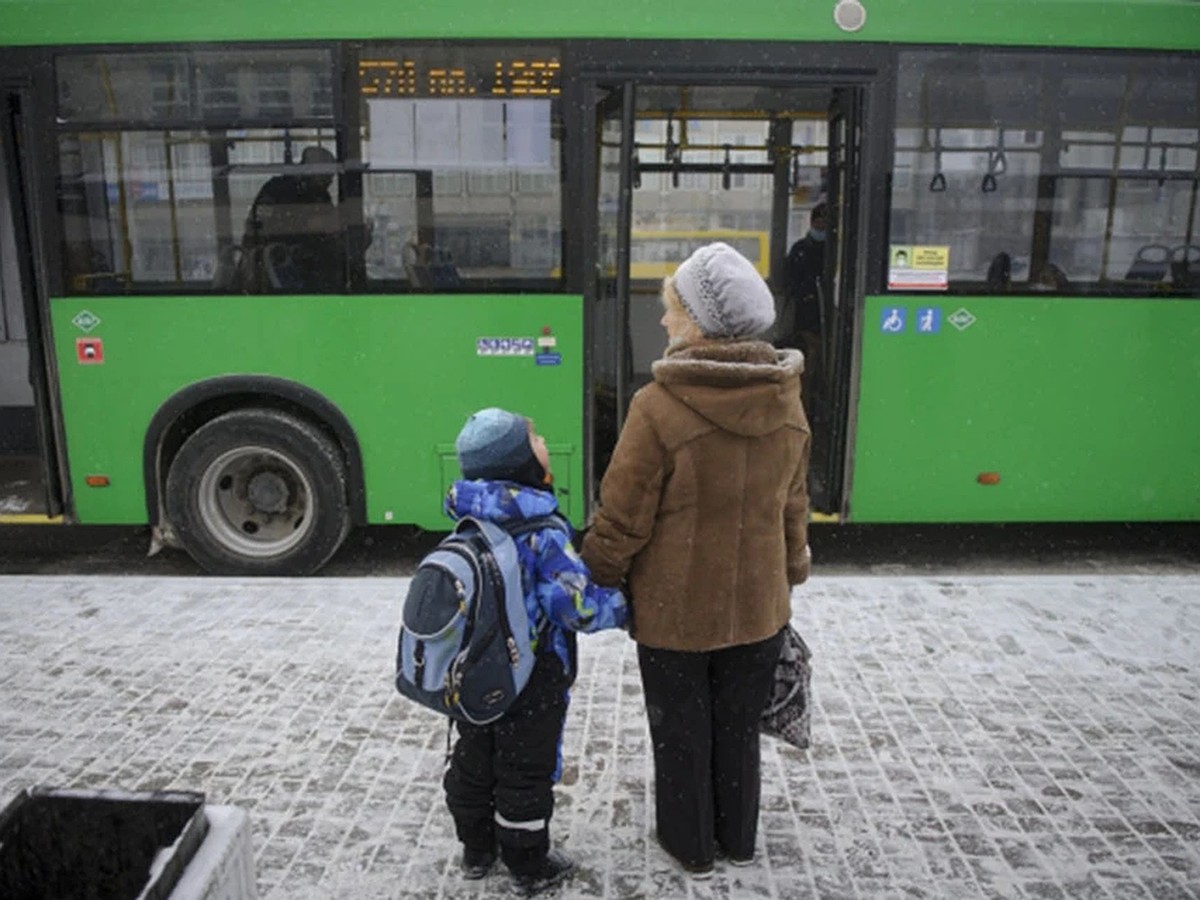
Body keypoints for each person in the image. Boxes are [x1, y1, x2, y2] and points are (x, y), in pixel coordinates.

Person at [580, 242, 812, 879]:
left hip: (675, 615)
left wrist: (594, 573)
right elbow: (794, 505)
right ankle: (736, 837)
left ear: (699, 321)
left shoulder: (657, 407)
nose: (663, 321)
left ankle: (690, 846)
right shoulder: (785, 401)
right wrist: (791, 570)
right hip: (759, 609)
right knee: (737, 732)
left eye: (672, 308)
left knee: (681, 734)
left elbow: (624, 516)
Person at [442, 407, 628, 895]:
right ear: (520, 461)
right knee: (526, 766)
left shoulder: (467, 518)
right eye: (535, 437)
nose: (545, 441)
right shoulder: (541, 529)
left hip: (475, 670)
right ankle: (527, 861)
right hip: (532, 670)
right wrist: (624, 607)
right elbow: (575, 606)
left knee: (475, 754)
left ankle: (476, 848)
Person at [240, 145, 342, 293]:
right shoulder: (276, 189)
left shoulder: (321, 196)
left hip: (314, 265)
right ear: (311, 172)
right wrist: (307, 225)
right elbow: (259, 225)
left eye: (331, 178)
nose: (330, 182)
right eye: (326, 177)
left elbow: (330, 227)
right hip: (276, 265)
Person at [782, 202, 827, 419]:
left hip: (825, 315)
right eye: (819, 223)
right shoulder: (800, 249)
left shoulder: (834, 250)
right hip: (808, 317)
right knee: (809, 365)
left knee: (819, 366)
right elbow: (791, 281)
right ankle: (805, 409)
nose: (822, 227)